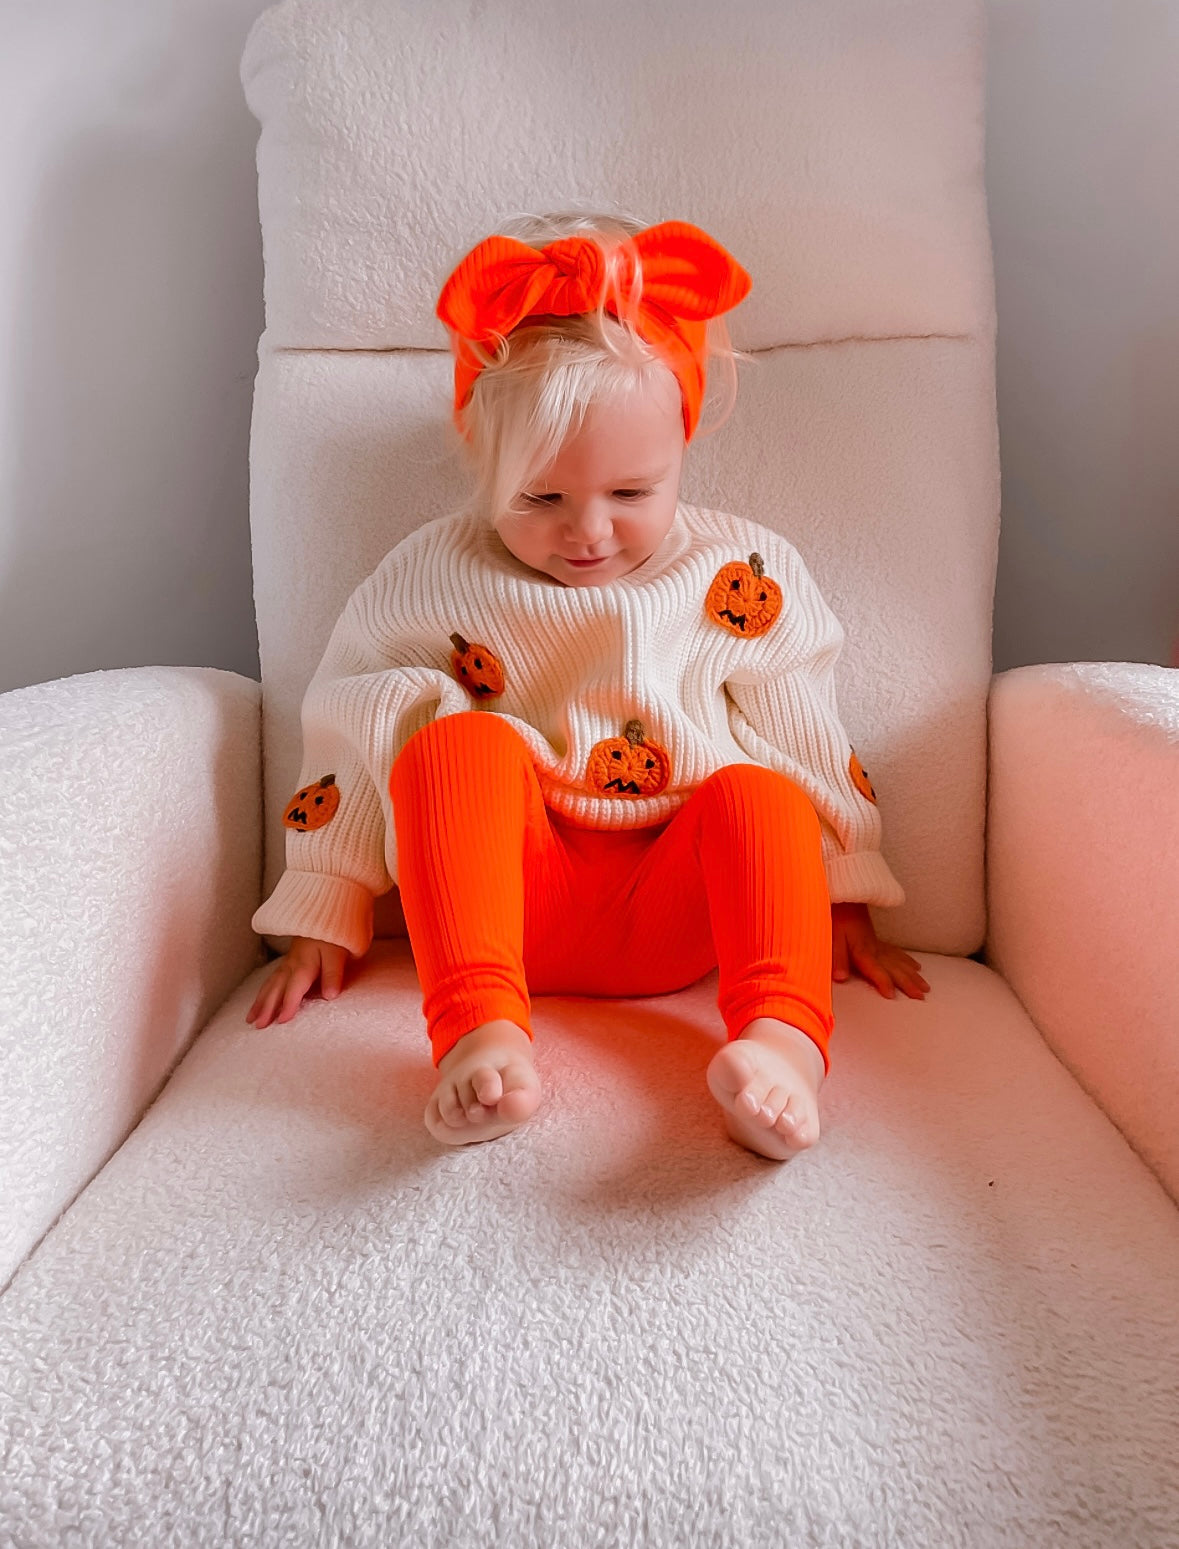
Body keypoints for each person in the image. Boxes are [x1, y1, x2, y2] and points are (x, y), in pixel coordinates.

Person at [246, 211, 929, 1161]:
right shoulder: (431, 573)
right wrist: (326, 898)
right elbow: (353, 725)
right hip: (510, 902)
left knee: (761, 791)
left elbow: (800, 727)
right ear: (480, 457)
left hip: (678, 906)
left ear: (682, 444)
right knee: (455, 745)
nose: (589, 532)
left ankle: (779, 1044)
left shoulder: (742, 570)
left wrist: (841, 890)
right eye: (541, 498)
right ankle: (480, 1032)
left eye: (631, 493)